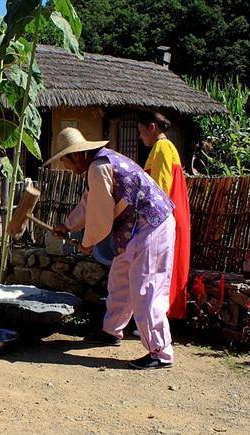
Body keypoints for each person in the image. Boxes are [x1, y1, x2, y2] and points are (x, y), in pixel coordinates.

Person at [49, 127, 176, 369]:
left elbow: (100, 213)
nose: (66, 167)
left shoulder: (98, 168)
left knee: (145, 287)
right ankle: (112, 331)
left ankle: (160, 352)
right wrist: (67, 225)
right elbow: (90, 203)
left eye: (65, 160)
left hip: (150, 224)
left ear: (76, 155)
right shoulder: (99, 163)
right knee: (120, 280)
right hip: (136, 227)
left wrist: (88, 242)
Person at [138, 112, 191, 320]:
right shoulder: (167, 148)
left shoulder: (162, 147)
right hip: (172, 213)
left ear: (152, 127)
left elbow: (159, 188)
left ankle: (157, 318)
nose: (141, 137)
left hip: (162, 216)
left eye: (142, 132)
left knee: (159, 269)